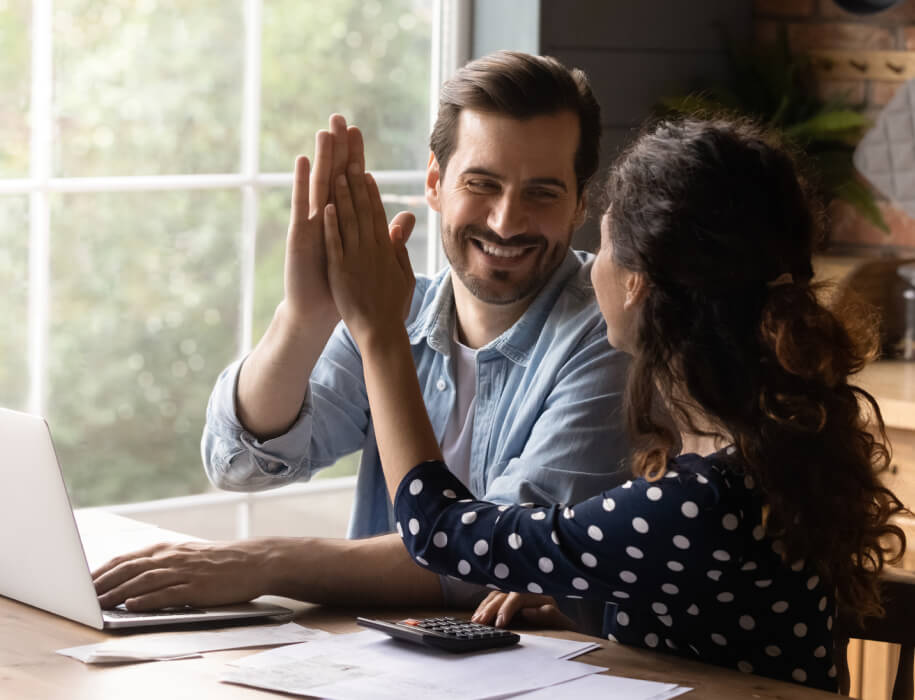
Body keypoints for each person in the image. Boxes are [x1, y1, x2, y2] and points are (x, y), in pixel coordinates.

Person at [319, 116, 909, 691]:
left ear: (637, 283)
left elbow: (437, 532)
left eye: (600, 244)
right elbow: (713, 627)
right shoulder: (758, 456)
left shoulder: (703, 502)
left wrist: (380, 334)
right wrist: (589, 616)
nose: (590, 264)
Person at [91, 51, 629, 623]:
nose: (505, 221)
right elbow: (238, 462)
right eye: (482, 183)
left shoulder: (611, 334)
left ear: (578, 203)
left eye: (541, 193)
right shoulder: (400, 306)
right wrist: (305, 315)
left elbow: (503, 559)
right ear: (435, 182)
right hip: (379, 658)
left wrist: (267, 562)